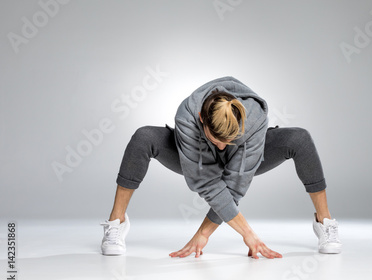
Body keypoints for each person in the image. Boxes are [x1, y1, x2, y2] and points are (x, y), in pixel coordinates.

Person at [99, 76, 341, 258]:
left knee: (300, 138)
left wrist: (203, 233)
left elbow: (234, 186)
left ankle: (324, 222)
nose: (223, 148)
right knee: (143, 137)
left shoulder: (254, 119)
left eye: (230, 141)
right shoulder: (187, 118)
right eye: (217, 141)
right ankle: (116, 223)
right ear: (202, 120)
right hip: (195, 157)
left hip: (244, 158)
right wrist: (247, 233)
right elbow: (209, 184)